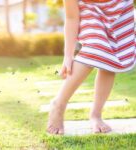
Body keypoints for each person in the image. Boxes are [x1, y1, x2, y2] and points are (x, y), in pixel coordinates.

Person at [46, 0, 136, 135]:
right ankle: (59, 104)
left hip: (119, 8)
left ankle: (96, 115)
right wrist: (68, 55)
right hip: (90, 9)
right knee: (93, 47)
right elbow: (71, 18)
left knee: (111, 59)